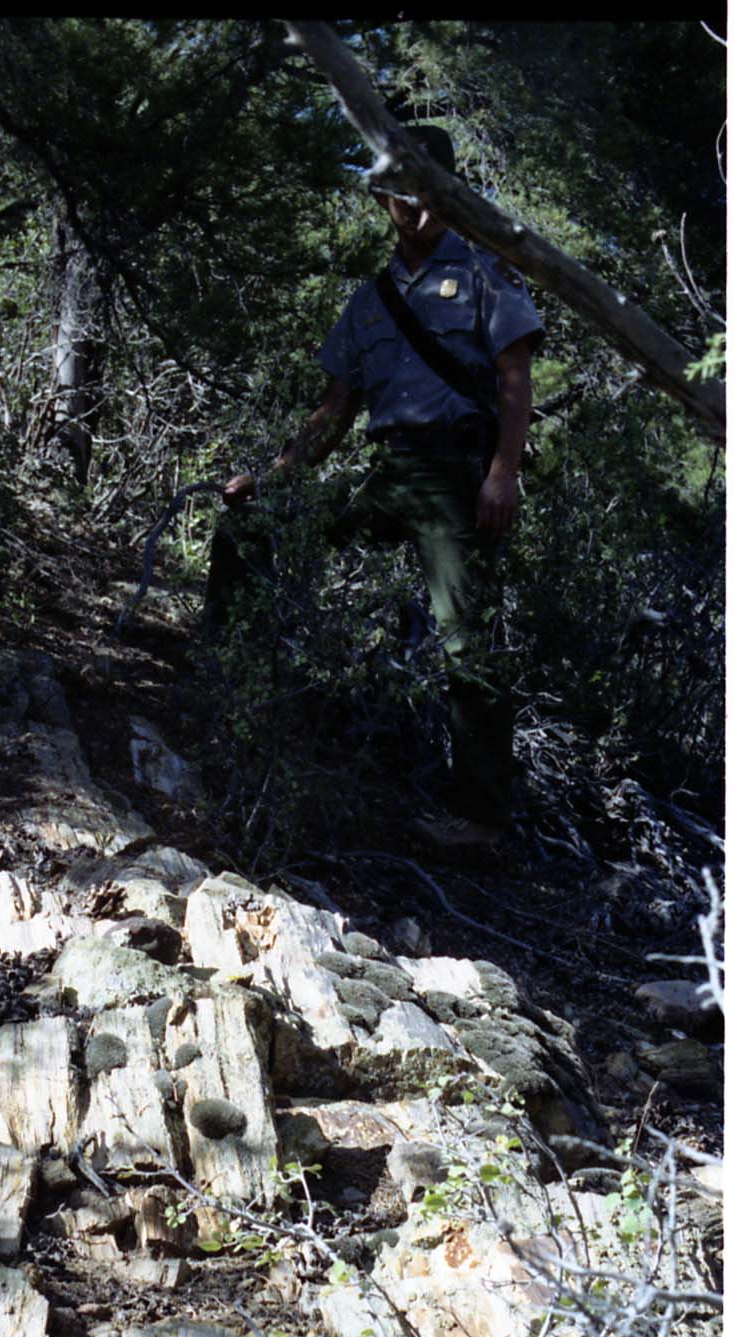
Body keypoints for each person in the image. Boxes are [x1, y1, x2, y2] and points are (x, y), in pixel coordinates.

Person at [210, 125, 544, 850]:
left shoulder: (487, 274)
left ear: (450, 197)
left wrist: (502, 473)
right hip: (388, 474)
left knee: (466, 637)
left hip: (457, 477)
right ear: (383, 198)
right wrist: (269, 480)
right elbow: (334, 411)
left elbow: (516, 377)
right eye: (401, 193)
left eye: (429, 194)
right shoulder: (370, 301)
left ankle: (481, 817)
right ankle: (222, 692)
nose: (415, 209)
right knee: (248, 531)